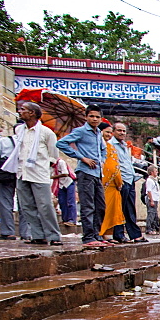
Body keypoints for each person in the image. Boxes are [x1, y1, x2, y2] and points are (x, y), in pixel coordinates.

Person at [13, 102, 62, 246]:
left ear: (32, 113)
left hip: (39, 173)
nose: (20, 111)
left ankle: (53, 236)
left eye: (23, 110)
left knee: (45, 205)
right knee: (27, 206)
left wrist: (44, 166)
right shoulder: (19, 131)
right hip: (22, 172)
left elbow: (53, 155)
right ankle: (38, 235)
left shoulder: (46, 133)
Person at [58, 104, 107, 247]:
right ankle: (88, 237)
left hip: (97, 172)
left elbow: (103, 151)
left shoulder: (98, 133)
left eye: (97, 117)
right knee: (88, 206)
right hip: (85, 172)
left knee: (100, 206)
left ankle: (96, 235)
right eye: (91, 116)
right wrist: (82, 157)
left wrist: (102, 161)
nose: (94, 119)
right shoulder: (80, 131)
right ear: (86, 117)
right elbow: (61, 143)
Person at [110, 123, 145, 243]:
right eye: (119, 130)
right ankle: (118, 234)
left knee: (130, 209)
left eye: (124, 131)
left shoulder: (125, 146)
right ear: (113, 131)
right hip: (121, 180)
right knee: (119, 209)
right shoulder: (111, 145)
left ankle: (135, 234)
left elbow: (127, 163)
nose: (122, 133)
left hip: (130, 180)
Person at [98, 123, 125, 243]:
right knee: (103, 209)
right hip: (102, 183)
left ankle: (107, 235)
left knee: (113, 210)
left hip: (114, 185)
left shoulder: (111, 147)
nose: (108, 135)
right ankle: (100, 234)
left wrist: (119, 182)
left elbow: (115, 167)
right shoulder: (96, 146)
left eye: (110, 132)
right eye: (106, 132)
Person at [51, 153, 78, 228]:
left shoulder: (60, 162)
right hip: (60, 184)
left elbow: (65, 173)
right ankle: (65, 219)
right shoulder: (52, 166)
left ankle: (72, 220)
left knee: (70, 201)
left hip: (68, 182)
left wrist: (53, 177)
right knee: (62, 202)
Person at [144, 166, 160, 234]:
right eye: (156, 171)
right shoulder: (149, 180)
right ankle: (149, 229)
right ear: (151, 172)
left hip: (155, 199)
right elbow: (149, 191)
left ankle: (154, 228)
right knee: (151, 214)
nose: (157, 172)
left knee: (154, 214)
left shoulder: (154, 180)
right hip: (152, 199)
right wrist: (151, 200)